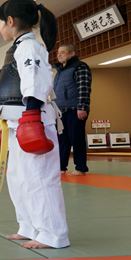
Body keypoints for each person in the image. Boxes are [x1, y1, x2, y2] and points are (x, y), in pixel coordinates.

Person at [0, 0, 69, 249]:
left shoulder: (30, 47)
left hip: (33, 121)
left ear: (10, 21)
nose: (0, 28)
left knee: (39, 179)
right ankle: (29, 226)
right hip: (18, 123)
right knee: (18, 178)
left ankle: (53, 234)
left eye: (0, 23)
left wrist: (32, 116)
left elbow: (34, 81)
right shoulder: (18, 48)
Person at [54, 44, 92, 176]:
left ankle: (80, 168)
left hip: (75, 109)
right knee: (62, 141)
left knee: (77, 139)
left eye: (62, 52)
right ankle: (61, 167)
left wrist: (82, 107)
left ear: (72, 54)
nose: (59, 55)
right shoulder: (59, 71)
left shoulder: (80, 66)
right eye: (58, 53)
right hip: (60, 111)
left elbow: (84, 87)